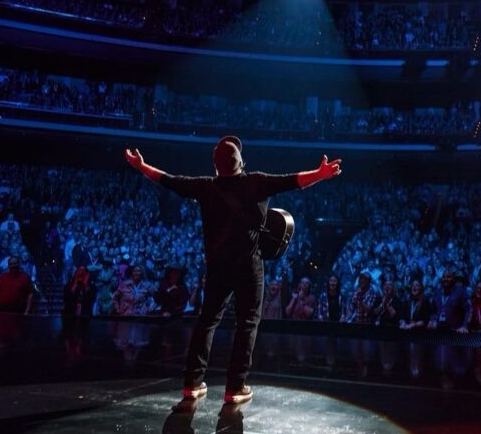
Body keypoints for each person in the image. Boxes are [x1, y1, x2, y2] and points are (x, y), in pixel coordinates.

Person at [124, 137, 342, 405]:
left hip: (217, 267)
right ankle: (235, 387)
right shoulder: (256, 181)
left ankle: (192, 384)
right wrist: (321, 174)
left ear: (215, 166)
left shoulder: (206, 187)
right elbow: (294, 180)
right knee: (247, 323)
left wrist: (141, 166)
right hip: (248, 266)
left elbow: (168, 179)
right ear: (242, 162)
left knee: (207, 321)